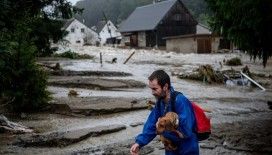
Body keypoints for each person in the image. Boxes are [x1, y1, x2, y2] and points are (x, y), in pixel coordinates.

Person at [130, 70, 199, 155]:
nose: (152, 92)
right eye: (151, 89)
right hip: (170, 147)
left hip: (187, 148)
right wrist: (139, 143)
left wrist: (167, 123)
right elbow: (151, 125)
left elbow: (187, 130)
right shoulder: (160, 103)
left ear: (165, 86)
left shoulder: (180, 100)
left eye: (155, 89)